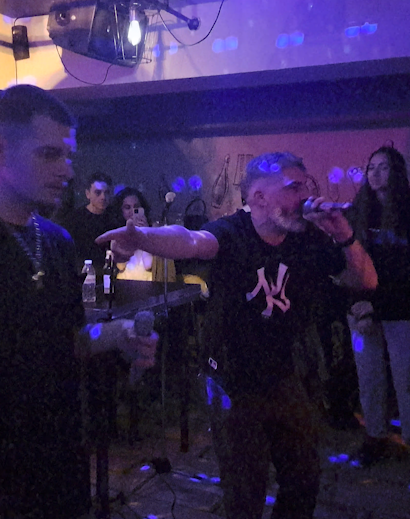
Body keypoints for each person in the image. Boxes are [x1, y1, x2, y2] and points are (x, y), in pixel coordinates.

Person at [96, 151, 377, 519]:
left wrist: (343, 233)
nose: (305, 196)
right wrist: (142, 236)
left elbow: (366, 280)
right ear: (258, 197)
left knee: (304, 479)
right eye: (293, 187)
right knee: (246, 492)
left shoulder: (307, 237)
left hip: (285, 376)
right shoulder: (232, 231)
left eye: (305, 187)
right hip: (232, 382)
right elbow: (191, 240)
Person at [0, 84, 157, 519]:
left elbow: (68, 339)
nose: (66, 170)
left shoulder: (57, 240)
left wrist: (119, 335)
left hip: (58, 477)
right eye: (50, 154)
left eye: (69, 156)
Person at [346, 145, 410, 465]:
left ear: (396, 172)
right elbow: (348, 263)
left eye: (383, 167)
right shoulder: (357, 211)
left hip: (401, 309)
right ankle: (375, 436)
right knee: (368, 376)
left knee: (406, 378)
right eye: (371, 167)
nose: (375, 173)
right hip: (361, 308)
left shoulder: (407, 212)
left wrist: (376, 304)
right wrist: (359, 303)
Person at [59, 171, 117, 275]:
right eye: (98, 193)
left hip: (109, 273)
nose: (103, 197)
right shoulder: (74, 219)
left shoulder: (115, 219)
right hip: (82, 274)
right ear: (87, 194)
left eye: (107, 192)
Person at [109, 186, 154, 280]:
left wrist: (145, 231)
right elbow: (120, 266)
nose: (132, 211)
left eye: (136, 207)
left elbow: (149, 264)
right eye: (127, 207)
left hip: (149, 282)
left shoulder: (153, 231)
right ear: (121, 211)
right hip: (124, 282)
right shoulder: (117, 234)